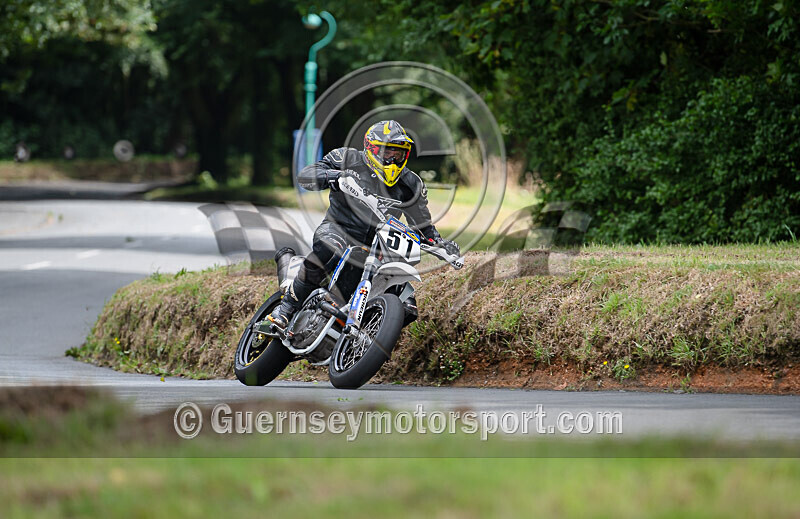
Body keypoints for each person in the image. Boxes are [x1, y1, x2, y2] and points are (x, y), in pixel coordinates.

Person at [268, 119, 460, 329]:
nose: (393, 159)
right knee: (329, 248)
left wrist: (439, 243)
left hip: (380, 246)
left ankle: (363, 337)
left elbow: (423, 224)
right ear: (371, 148)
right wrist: (336, 177)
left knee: (407, 305)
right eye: (387, 152)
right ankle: (286, 309)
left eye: (398, 154)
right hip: (339, 229)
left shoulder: (411, 184)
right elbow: (306, 175)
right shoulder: (347, 158)